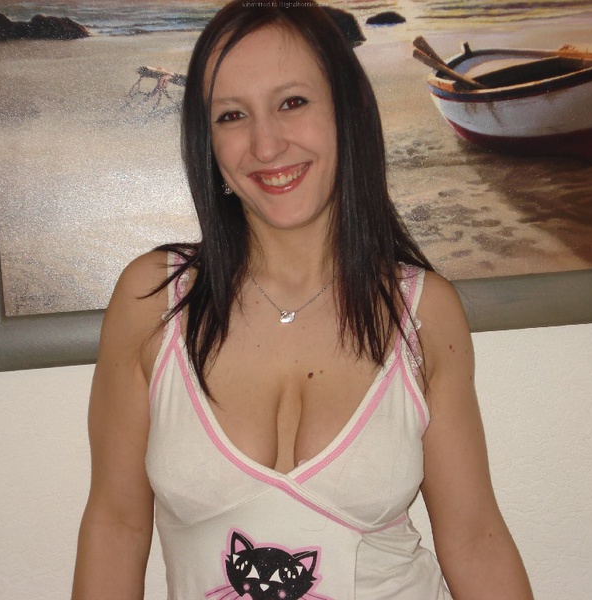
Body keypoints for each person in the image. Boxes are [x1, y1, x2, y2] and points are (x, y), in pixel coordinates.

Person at [72, 1, 533, 598]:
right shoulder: (153, 299)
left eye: (292, 102)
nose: (266, 145)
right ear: (208, 142)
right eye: (232, 115)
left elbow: (474, 539)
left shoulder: (422, 311)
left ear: (346, 112)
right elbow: (116, 527)